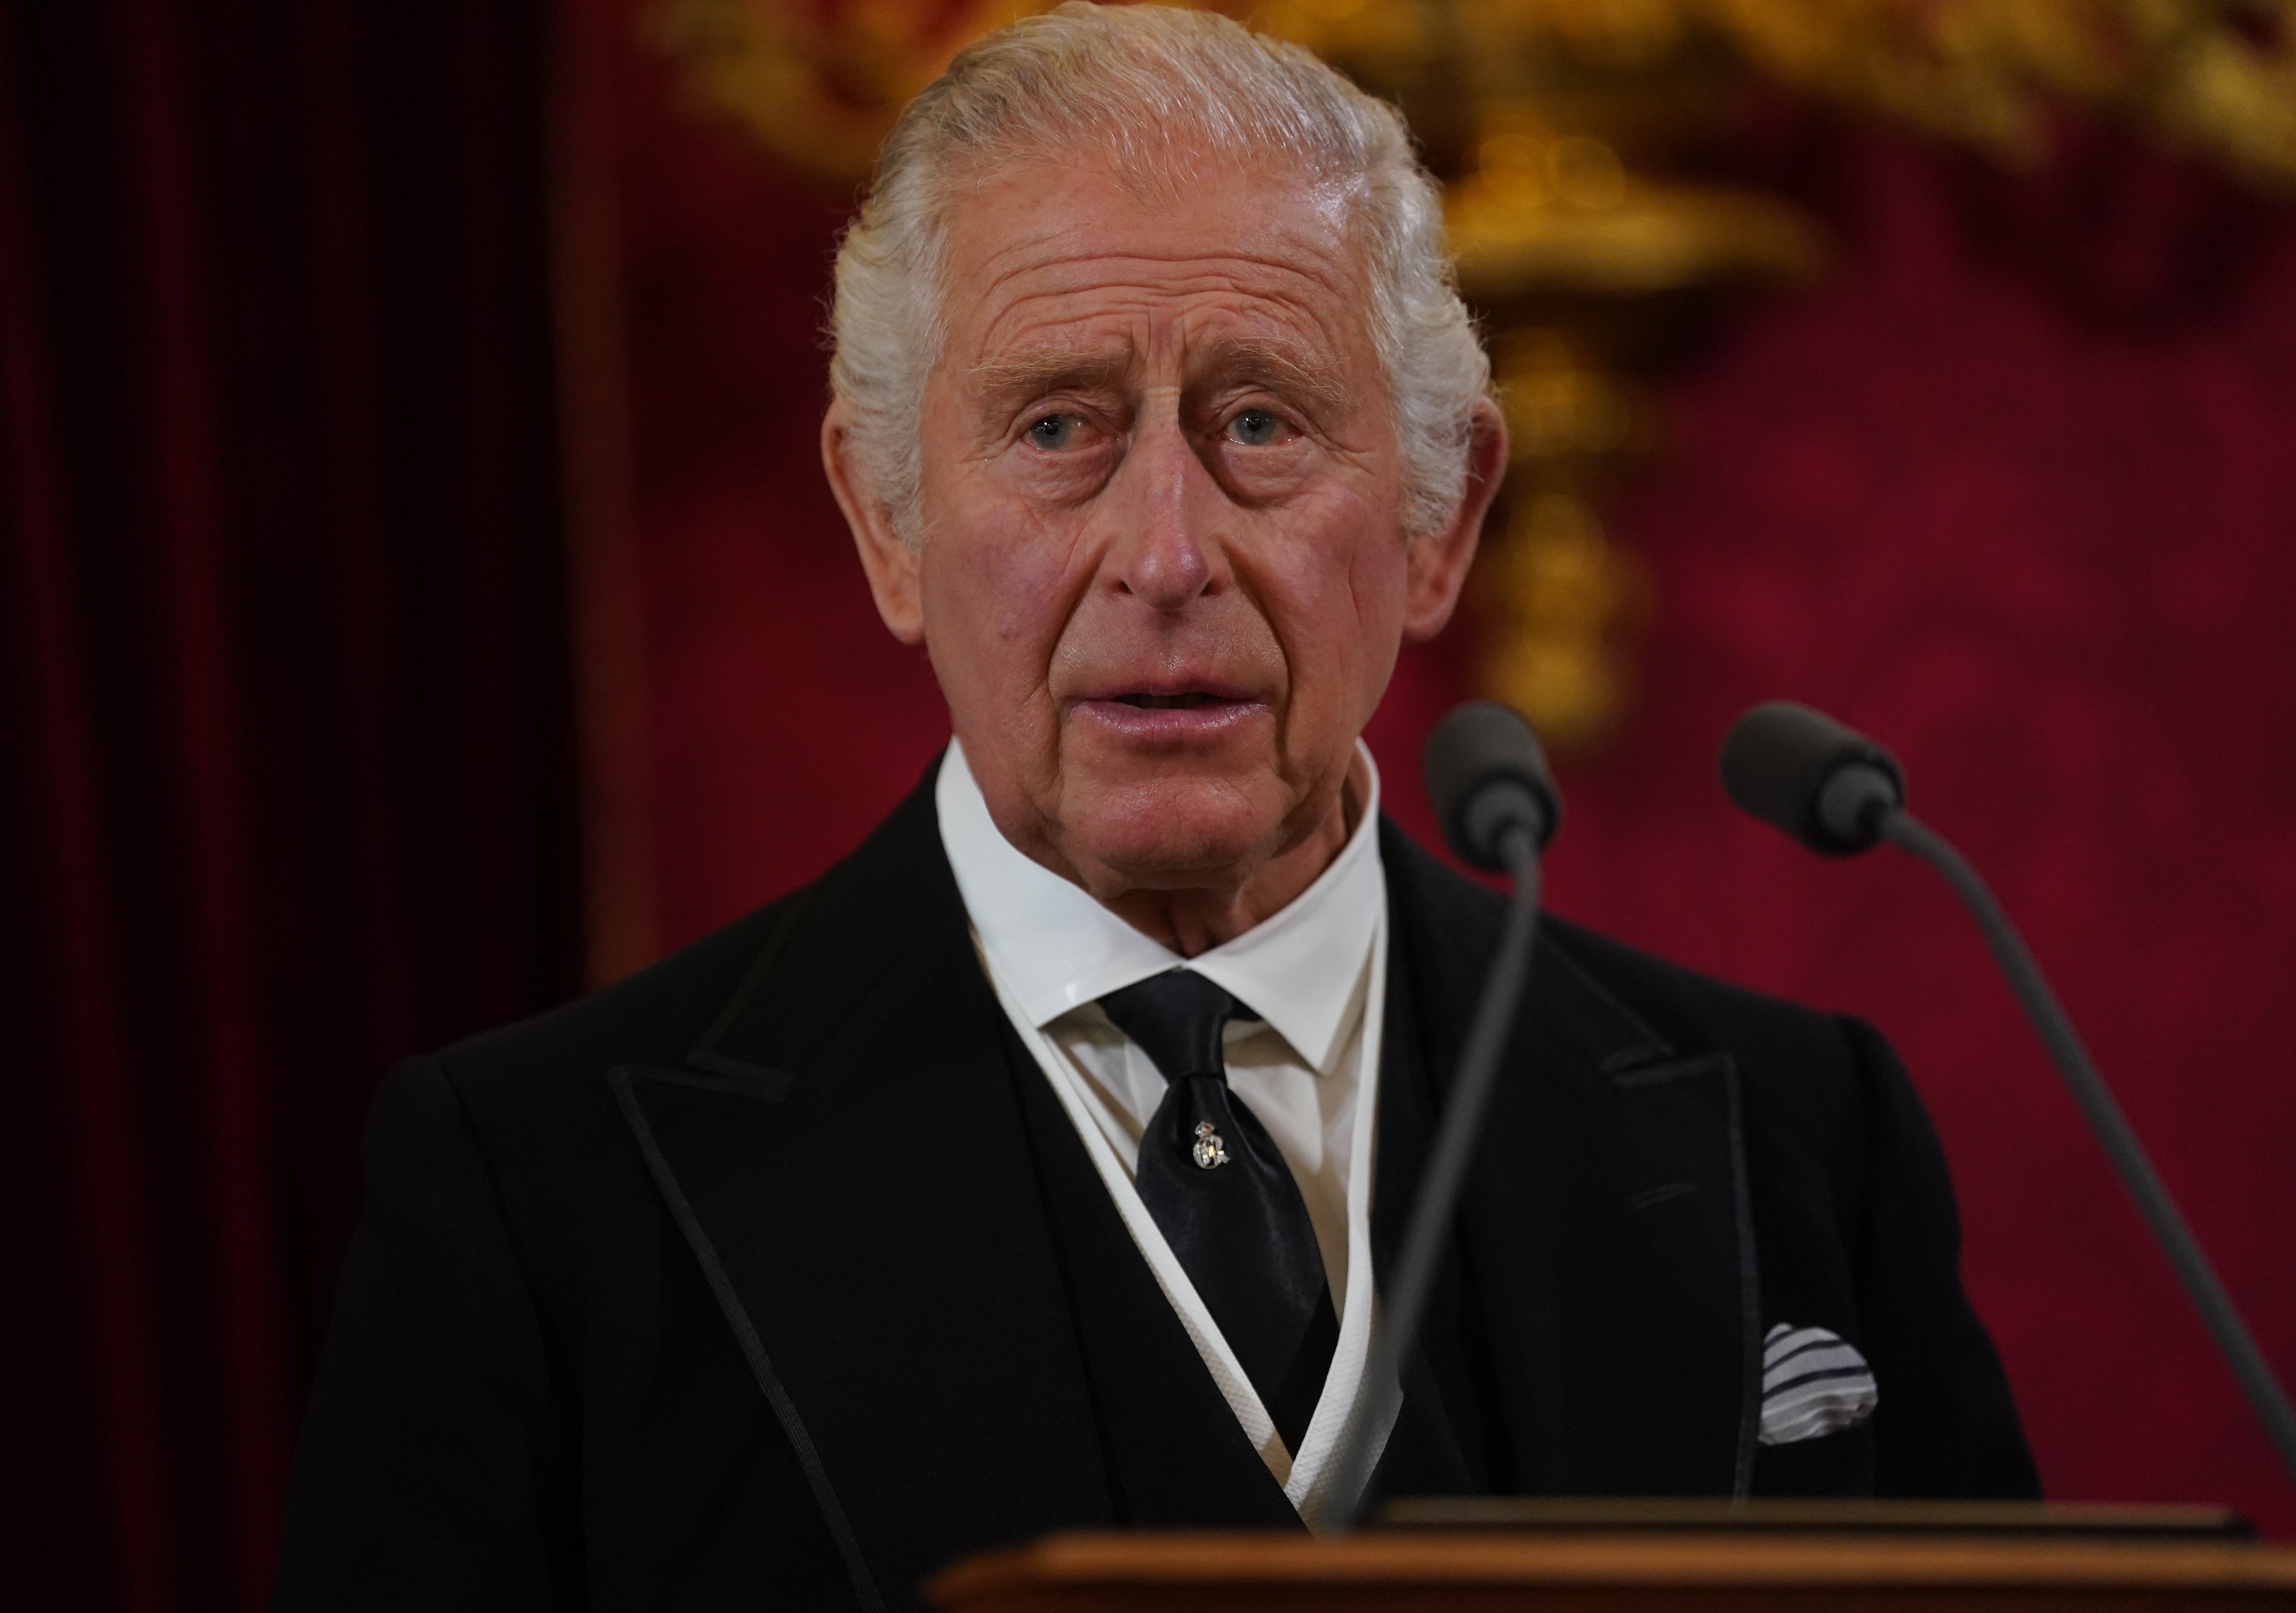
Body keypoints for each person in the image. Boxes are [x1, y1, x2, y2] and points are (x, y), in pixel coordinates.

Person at [271, 6, 2035, 1609]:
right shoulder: (539, 1197)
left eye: (1263, 422)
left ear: (1438, 517)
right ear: (885, 517)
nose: (1169, 553)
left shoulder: (1802, 1140)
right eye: (1059, 429)